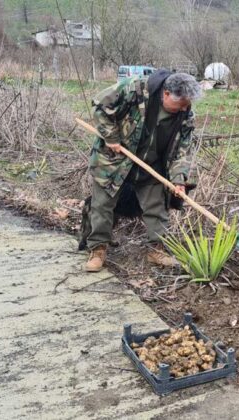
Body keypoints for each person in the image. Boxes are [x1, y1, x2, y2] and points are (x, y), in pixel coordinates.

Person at [79, 70, 202, 272]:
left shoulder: (185, 116)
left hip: (151, 164)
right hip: (114, 160)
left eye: (187, 105)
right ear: (166, 94)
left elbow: (183, 151)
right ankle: (98, 249)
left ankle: (156, 250)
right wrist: (111, 137)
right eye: (180, 104)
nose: (184, 109)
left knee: (156, 208)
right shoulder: (134, 89)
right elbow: (101, 105)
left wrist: (179, 179)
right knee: (102, 205)